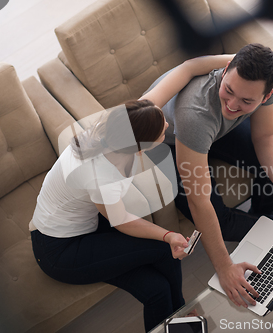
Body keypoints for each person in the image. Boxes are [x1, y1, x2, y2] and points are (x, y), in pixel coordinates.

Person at [28, 54, 239, 332]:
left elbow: (188, 68)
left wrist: (236, 61)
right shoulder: (100, 172)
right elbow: (121, 220)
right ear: (140, 146)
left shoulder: (123, 125)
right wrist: (168, 235)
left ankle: (180, 315)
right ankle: (182, 313)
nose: (166, 125)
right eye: (162, 132)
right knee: (165, 249)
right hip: (60, 250)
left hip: (87, 225)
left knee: (157, 291)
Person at [146, 43, 273, 309]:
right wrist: (225, 267)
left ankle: (262, 219)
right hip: (167, 143)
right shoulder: (195, 115)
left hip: (212, 131)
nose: (233, 105)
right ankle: (267, 225)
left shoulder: (268, 87)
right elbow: (199, 202)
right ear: (224, 71)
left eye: (247, 101)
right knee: (218, 219)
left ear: (267, 93)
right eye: (229, 91)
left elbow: (266, 136)